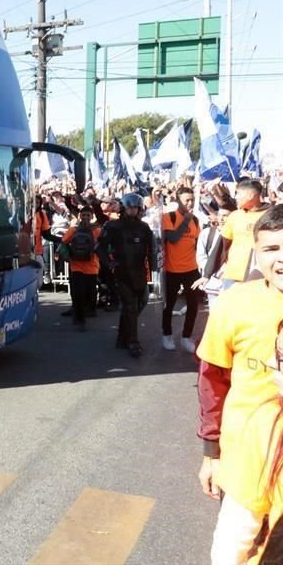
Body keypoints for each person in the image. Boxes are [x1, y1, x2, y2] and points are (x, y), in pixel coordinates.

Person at [197, 206, 283, 562]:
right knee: (230, 555)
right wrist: (210, 455)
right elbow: (211, 382)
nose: (281, 260)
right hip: (245, 466)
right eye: (271, 249)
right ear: (256, 252)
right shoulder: (236, 303)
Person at [98, 193, 156, 357]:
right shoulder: (112, 226)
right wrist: (109, 263)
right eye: (130, 207)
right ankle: (133, 341)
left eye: (136, 207)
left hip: (139, 271)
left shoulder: (144, 227)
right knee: (130, 305)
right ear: (124, 208)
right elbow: (99, 247)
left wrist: (154, 265)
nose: (133, 210)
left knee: (141, 302)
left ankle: (123, 336)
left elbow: (152, 247)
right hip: (121, 271)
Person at [161, 186, 203, 353]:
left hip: (191, 269)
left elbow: (197, 243)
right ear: (178, 201)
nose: (190, 203)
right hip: (172, 269)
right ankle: (167, 334)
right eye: (187, 200)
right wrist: (185, 220)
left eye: (192, 200)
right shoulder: (169, 217)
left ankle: (186, 337)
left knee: (193, 305)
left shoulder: (196, 220)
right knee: (169, 305)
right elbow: (172, 239)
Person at [219, 180, 271, 290]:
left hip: (259, 278)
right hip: (232, 277)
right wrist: (208, 273)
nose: (235, 197)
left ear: (251, 195)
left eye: (238, 194)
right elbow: (222, 246)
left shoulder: (271, 215)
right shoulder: (234, 216)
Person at [61, 206, 101, 332]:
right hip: (76, 266)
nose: (85, 217)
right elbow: (63, 244)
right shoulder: (73, 230)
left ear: (92, 216)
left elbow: (103, 245)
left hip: (92, 267)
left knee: (89, 294)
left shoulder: (97, 231)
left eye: (88, 215)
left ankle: (85, 314)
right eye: (83, 215)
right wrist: (67, 256)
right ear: (79, 216)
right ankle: (80, 319)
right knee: (78, 294)